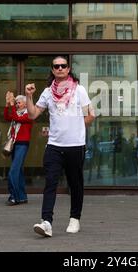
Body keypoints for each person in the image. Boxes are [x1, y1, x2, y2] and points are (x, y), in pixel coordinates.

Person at [25, 56, 95, 237]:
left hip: (75, 145)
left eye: (63, 66)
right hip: (54, 146)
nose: (60, 68)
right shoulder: (48, 92)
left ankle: (75, 218)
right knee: (50, 182)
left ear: (68, 68)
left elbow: (90, 115)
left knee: (75, 183)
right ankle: (46, 222)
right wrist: (28, 96)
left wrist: (77, 128)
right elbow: (32, 115)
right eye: (56, 66)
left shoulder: (79, 90)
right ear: (52, 69)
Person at [3, 91, 33, 206]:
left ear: (25, 104)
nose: (16, 105)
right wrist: (7, 104)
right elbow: (7, 117)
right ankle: (22, 196)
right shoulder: (18, 113)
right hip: (15, 144)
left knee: (13, 172)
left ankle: (14, 197)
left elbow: (16, 118)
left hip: (22, 144)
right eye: (16, 103)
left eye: (18, 103)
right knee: (18, 171)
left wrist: (11, 105)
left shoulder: (29, 114)